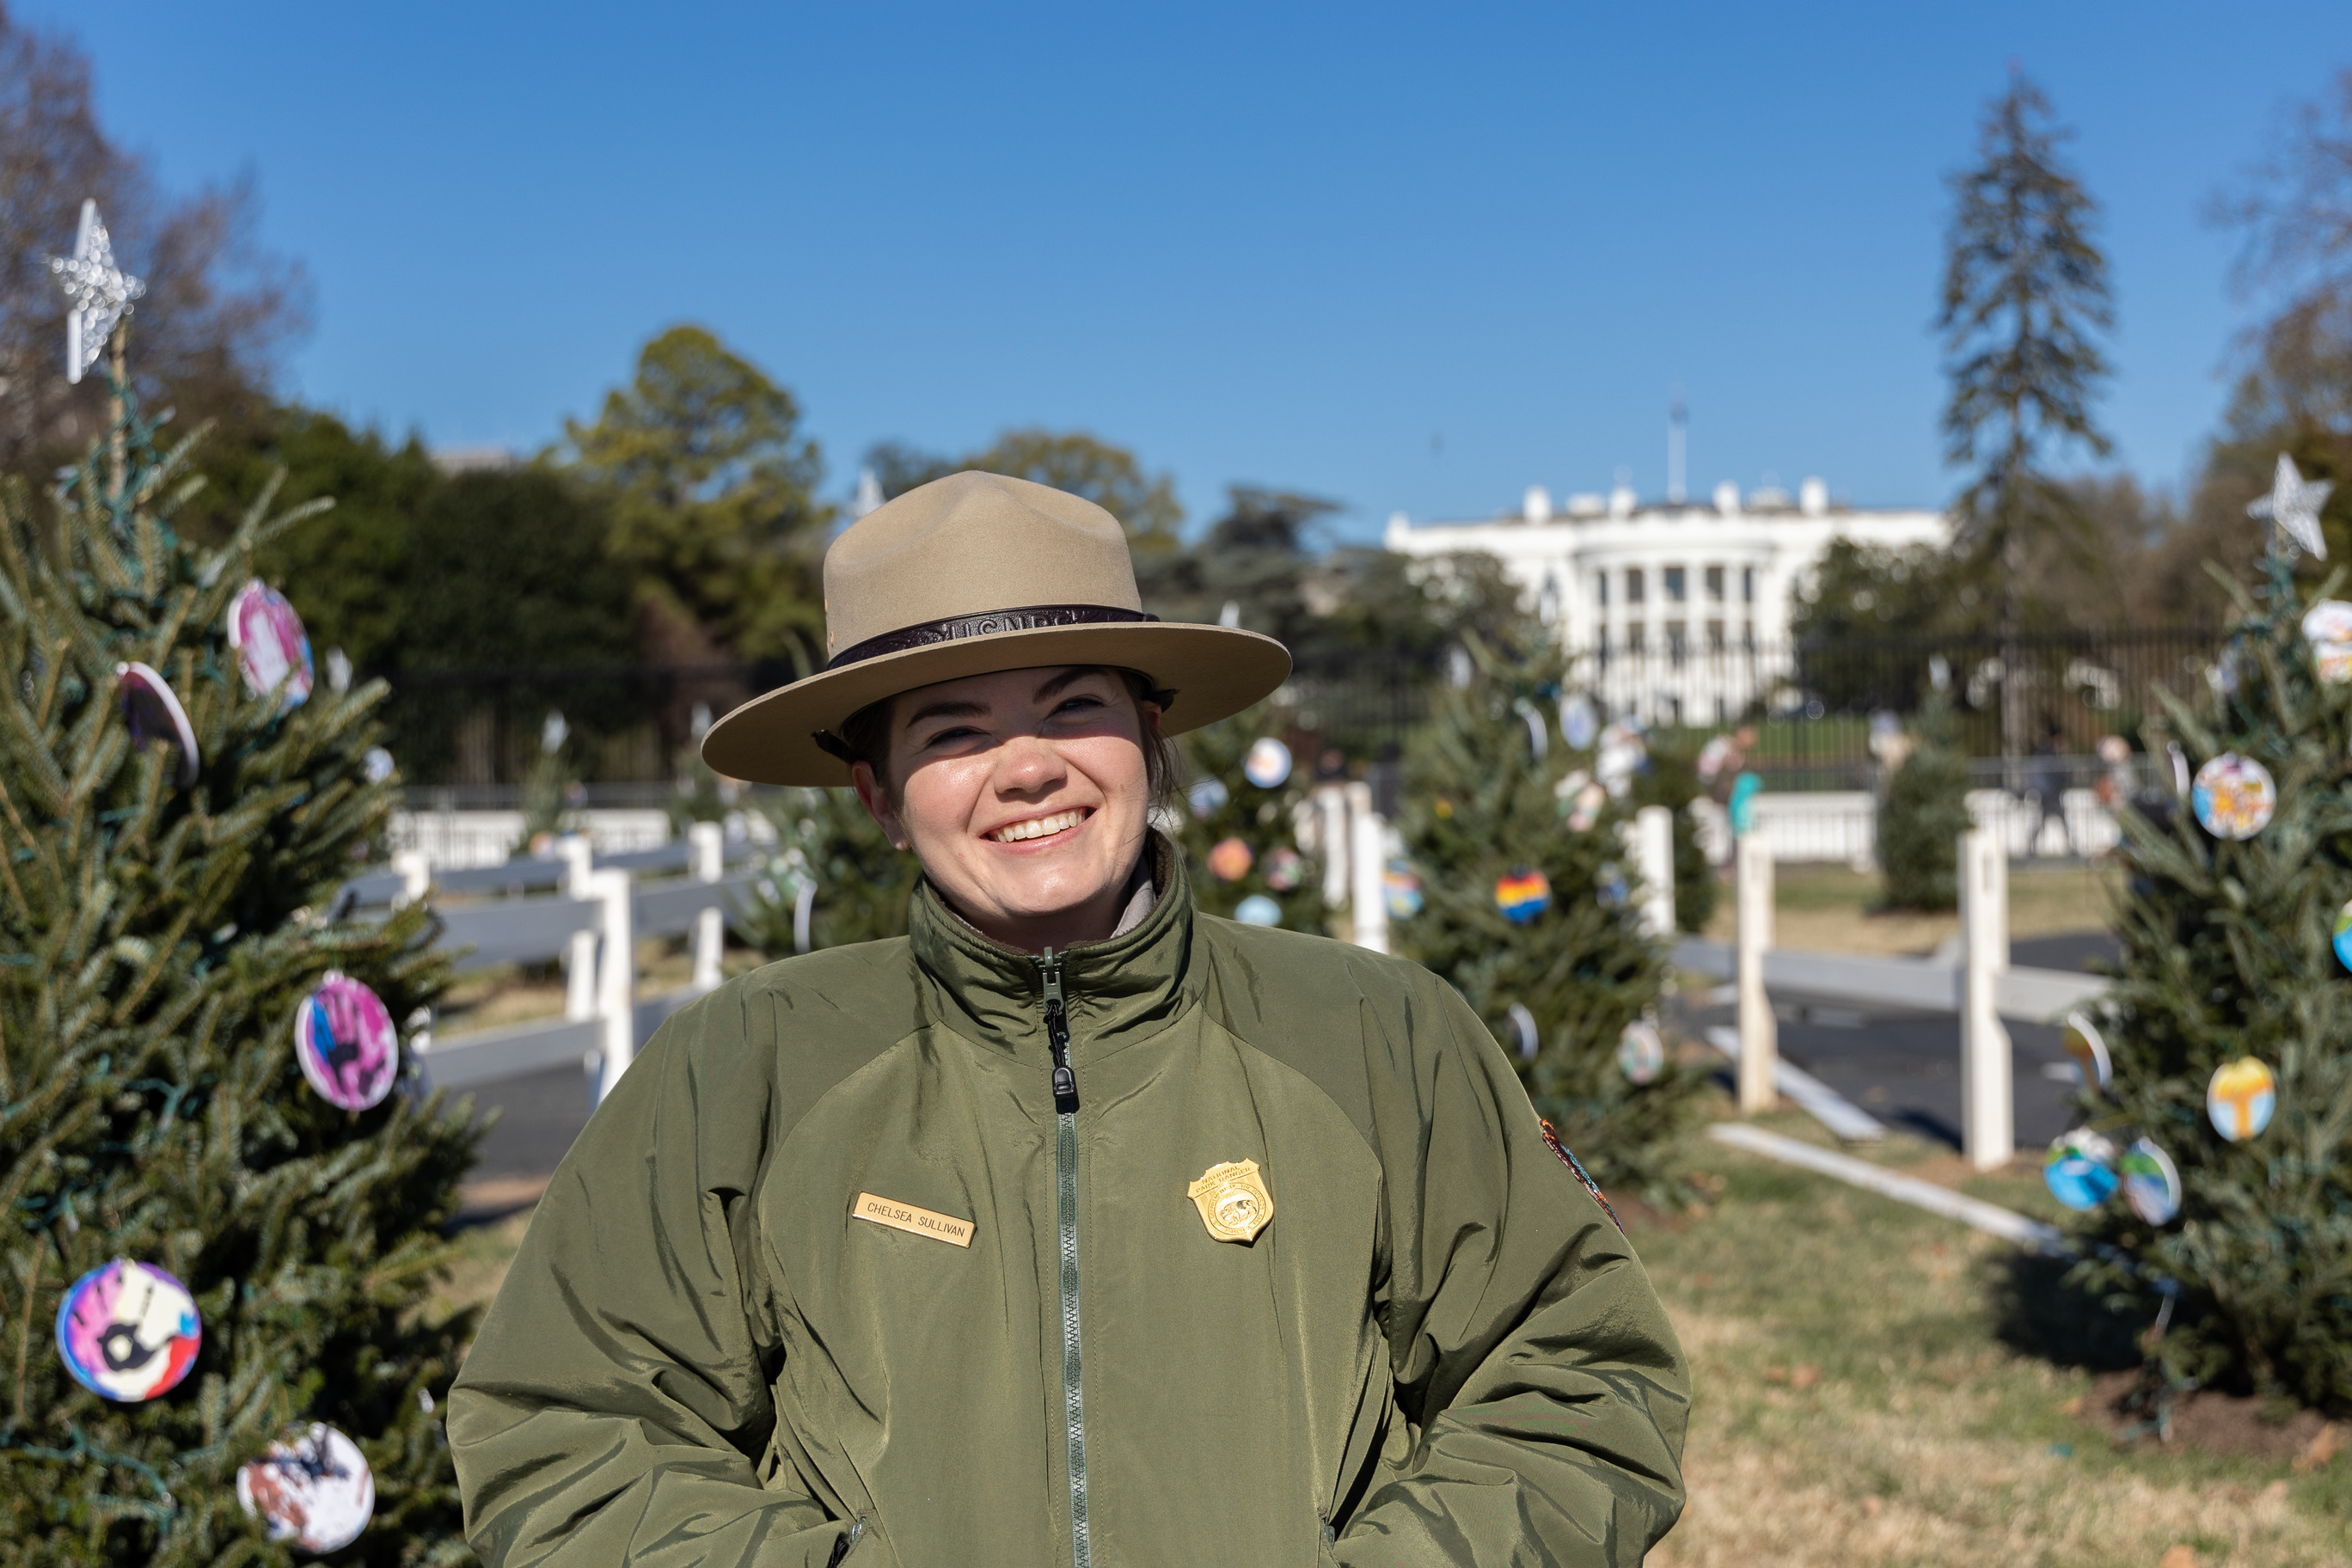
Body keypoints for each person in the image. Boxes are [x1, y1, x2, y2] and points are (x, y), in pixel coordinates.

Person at [448, 473, 1690, 1568]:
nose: (1027, 766)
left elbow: (1582, 1379)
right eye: (953, 728)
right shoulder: (747, 1067)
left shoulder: (1379, 1036)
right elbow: (566, 1431)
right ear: (879, 794)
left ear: (1151, 738)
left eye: (1071, 706)